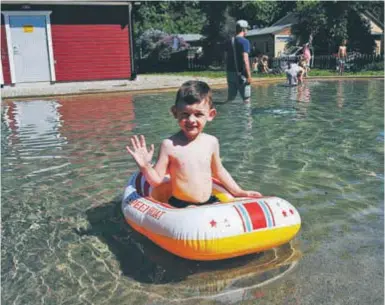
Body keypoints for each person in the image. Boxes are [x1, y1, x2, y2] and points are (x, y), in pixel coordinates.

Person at [126, 80, 262, 208]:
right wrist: (144, 166)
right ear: (175, 113)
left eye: (198, 114)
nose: (191, 120)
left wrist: (239, 192)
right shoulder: (169, 145)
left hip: (209, 200)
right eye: (185, 114)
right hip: (181, 204)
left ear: (211, 114)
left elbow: (219, 171)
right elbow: (156, 181)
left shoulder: (211, 142)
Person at [225, 20, 252, 103]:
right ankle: (246, 116)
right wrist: (249, 76)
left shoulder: (229, 41)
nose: (247, 31)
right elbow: (245, 60)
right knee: (246, 100)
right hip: (241, 74)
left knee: (230, 99)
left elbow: (226, 57)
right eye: (247, 29)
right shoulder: (244, 42)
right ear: (243, 29)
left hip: (230, 73)